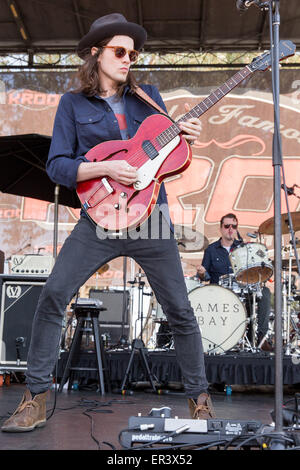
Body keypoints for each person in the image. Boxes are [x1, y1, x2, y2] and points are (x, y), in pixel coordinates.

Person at [2, 13, 215, 433]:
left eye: (133, 54)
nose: (128, 59)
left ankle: (200, 401)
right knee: (53, 296)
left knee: (181, 312)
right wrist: (109, 168)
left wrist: (183, 137)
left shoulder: (149, 96)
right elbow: (58, 166)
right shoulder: (72, 104)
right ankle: (36, 399)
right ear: (96, 54)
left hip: (150, 217)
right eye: (120, 51)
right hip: (98, 216)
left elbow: (167, 160)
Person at [196, 213, 272, 351]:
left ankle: (261, 337)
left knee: (265, 293)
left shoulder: (243, 248)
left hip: (242, 290)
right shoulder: (211, 250)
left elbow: (252, 273)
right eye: (227, 226)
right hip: (220, 292)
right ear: (221, 228)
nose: (230, 229)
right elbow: (205, 278)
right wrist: (202, 273)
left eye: (234, 226)